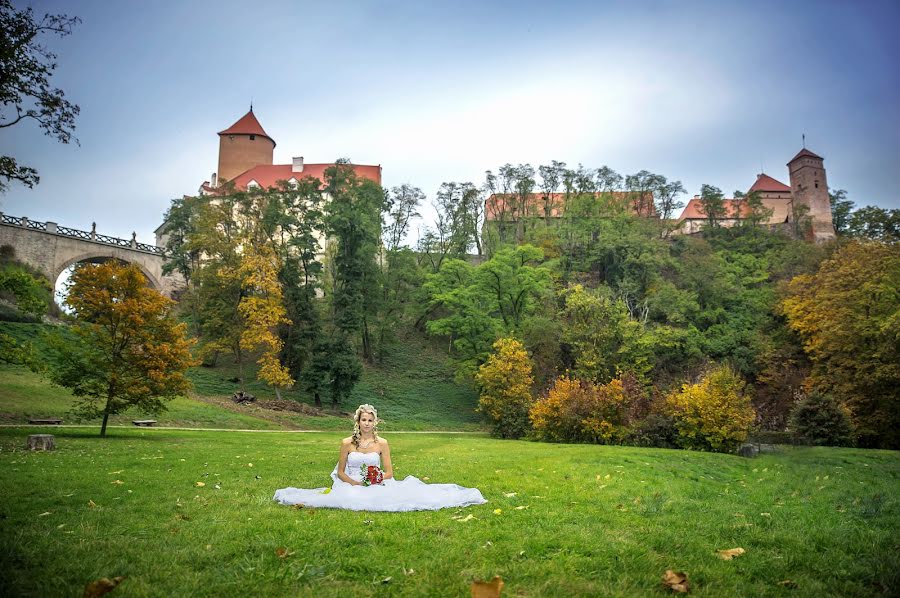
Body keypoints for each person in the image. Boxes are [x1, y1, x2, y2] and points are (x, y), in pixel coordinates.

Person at [273, 404, 487, 512]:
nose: (367, 423)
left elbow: (390, 472)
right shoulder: (347, 443)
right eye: (363, 420)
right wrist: (355, 482)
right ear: (358, 422)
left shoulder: (382, 443)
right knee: (351, 499)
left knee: (389, 498)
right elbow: (340, 472)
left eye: (370, 420)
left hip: (377, 482)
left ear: (375, 423)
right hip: (351, 482)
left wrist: (375, 479)